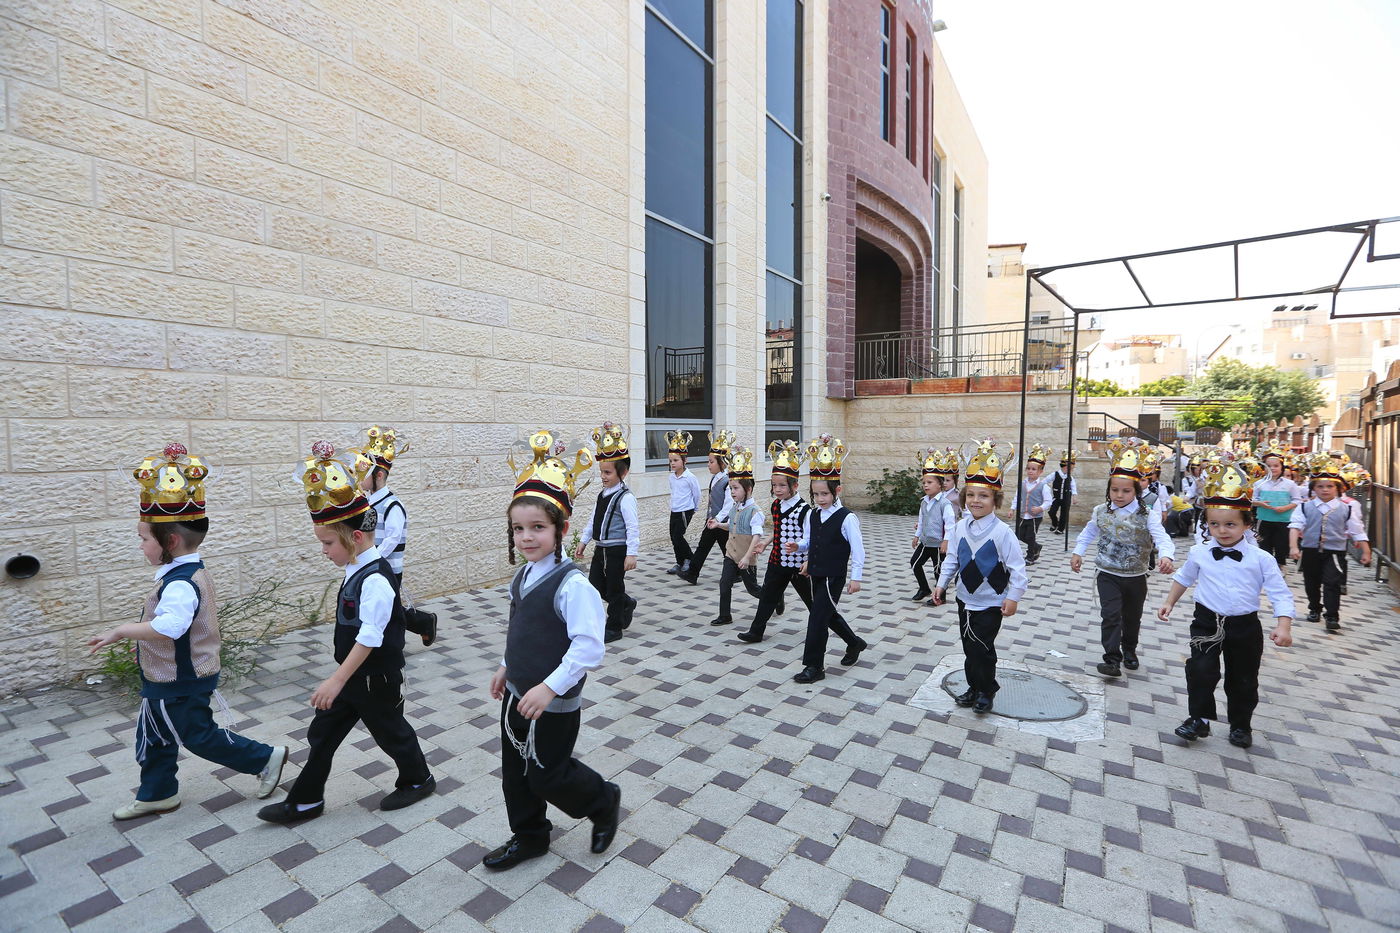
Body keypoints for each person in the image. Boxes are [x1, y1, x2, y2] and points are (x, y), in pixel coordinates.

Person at [90, 443, 284, 821]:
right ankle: (157, 793)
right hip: (168, 678)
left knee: (197, 736)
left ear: (171, 542)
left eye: (144, 538)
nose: (142, 545)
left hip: (180, 679)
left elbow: (170, 627)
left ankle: (265, 758)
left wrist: (122, 631)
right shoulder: (184, 574)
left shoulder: (180, 583)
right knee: (154, 735)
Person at [259, 442, 434, 823]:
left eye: (327, 543)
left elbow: (371, 637)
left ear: (355, 538)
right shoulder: (357, 570)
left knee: (391, 733)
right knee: (322, 736)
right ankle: (306, 800)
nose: (323, 551)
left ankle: (418, 779)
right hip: (355, 676)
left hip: (373, 678)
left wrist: (336, 680)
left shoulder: (374, 580)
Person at [483, 429, 621, 871]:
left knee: (547, 773)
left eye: (537, 528)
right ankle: (530, 836)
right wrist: (507, 666)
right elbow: (520, 625)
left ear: (561, 529)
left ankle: (602, 800)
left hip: (553, 701)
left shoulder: (573, 585)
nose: (526, 538)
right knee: (515, 773)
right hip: (517, 693)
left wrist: (549, 688)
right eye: (519, 528)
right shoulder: (522, 577)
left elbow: (588, 648)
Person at [1159, 456, 1294, 749]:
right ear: (1207, 524)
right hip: (1206, 620)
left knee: (1243, 679)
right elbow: (1184, 577)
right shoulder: (1200, 552)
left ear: (1247, 524)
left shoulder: (1262, 559)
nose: (1222, 530)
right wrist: (1169, 602)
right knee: (1200, 670)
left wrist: (1283, 625)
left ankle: (1241, 725)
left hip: (1244, 626)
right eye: (1215, 524)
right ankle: (1199, 719)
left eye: (1230, 524)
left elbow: (1280, 593)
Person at [933, 440, 1028, 714]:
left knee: (982, 649)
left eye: (983, 496)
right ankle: (974, 686)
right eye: (971, 495)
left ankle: (987, 690)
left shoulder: (1002, 533)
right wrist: (941, 585)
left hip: (991, 602)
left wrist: (1013, 597)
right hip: (965, 597)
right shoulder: (961, 526)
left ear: (995, 500)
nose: (976, 500)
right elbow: (952, 558)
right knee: (968, 647)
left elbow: (1018, 569)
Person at [1071, 440, 1175, 678]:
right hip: (1107, 574)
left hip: (1136, 576)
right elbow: (1088, 532)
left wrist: (1167, 555)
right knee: (1110, 615)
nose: (1119, 495)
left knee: (1131, 617)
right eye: (1114, 490)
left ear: (1136, 491)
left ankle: (1129, 650)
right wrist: (1079, 551)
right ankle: (1111, 659)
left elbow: (1162, 537)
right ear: (1108, 490)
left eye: (1126, 491)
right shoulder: (1100, 511)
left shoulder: (1146, 514)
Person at [789, 435, 866, 683]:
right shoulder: (813, 514)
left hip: (834, 575)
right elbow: (810, 541)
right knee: (827, 614)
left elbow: (858, 548)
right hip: (816, 573)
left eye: (825, 494)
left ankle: (814, 667)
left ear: (837, 490)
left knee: (817, 618)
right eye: (816, 494)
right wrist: (798, 547)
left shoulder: (847, 517)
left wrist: (856, 577)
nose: (820, 498)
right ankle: (854, 643)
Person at [353, 425, 437, 646]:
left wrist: (374, 558)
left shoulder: (392, 505)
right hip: (372, 564)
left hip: (386, 566)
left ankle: (400, 640)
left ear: (379, 475)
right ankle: (421, 623)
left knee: (389, 610)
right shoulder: (369, 503)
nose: (359, 478)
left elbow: (392, 538)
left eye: (364, 473)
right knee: (386, 607)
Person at [737, 440, 817, 644]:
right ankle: (756, 631)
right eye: (774, 485)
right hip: (777, 560)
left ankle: (824, 625)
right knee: (767, 597)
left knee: (813, 601)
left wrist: (806, 559)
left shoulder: (805, 510)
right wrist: (765, 542)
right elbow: (779, 529)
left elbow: (810, 538)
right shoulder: (775, 505)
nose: (778, 489)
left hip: (798, 564)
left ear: (795, 485)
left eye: (782, 485)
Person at [1289, 455, 1371, 632]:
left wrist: (1366, 551)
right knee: (1311, 582)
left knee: (1332, 582)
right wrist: (1294, 547)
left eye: (1329, 486)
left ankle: (1332, 615)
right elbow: (1295, 526)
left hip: (1334, 551)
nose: (1325, 490)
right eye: (1320, 486)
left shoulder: (1346, 508)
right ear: (1313, 489)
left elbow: (1357, 530)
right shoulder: (1304, 507)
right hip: (1310, 549)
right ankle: (1314, 608)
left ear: (1338, 488)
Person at [574, 422, 639, 643]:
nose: (603, 476)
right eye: (602, 471)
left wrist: (632, 553)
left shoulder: (626, 498)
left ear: (624, 472)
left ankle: (614, 627)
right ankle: (626, 603)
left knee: (614, 586)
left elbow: (632, 527)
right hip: (601, 548)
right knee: (595, 587)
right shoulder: (602, 495)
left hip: (617, 550)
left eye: (608, 472)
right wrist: (584, 540)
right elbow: (594, 518)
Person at [707, 447, 765, 626]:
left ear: (748, 489)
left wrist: (748, 557)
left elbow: (757, 536)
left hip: (746, 558)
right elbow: (732, 527)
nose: (732, 492)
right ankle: (725, 615)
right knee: (724, 584)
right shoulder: (735, 507)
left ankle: (775, 598)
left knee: (753, 590)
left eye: (736, 488)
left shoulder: (755, 512)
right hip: (731, 555)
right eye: (731, 488)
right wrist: (718, 525)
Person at [679, 430, 736, 585]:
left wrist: (718, 519)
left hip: (721, 522)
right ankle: (693, 573)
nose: (708, 464)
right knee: (705, 546)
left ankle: (735, 572)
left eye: (711, 462)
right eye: (708, 461)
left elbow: (729, 504)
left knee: (726, 549)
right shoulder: (714, 478)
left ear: (722, 463)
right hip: (713, 520)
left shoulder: (727, 480)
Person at [909, 448, 958, 602]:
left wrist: (946, 541)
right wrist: (917, 536)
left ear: (940, 485)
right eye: (924, 482)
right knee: (915, 563)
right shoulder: (924, 501)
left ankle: (940, 597)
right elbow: (922, 519)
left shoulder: (945, 503)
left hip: (938, 544)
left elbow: (950, 524)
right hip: (925, 542)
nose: (926, 485)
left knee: (939, 571)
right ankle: (924, 588)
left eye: (929, 482)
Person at [1250, 445, 1303, 570]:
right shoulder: (1258, 484)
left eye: (1276, 466)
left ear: (1282, 467)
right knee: (1264, 543)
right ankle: (1266, 567)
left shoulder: (1290, 484)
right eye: (1269, 466)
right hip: (1264, 519)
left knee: (1281, 544)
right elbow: (1251, 500)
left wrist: (1286, 507)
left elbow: (1297, 500)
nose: (1273, 468)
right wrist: (1260, 504)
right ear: (1264, 468)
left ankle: (1280, 565)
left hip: (1284, 520)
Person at [665, 431, 701, 576]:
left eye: (676, 460)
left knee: (679, 536)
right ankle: (680, 562)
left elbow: (697, 493)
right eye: (671, 460)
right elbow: (674, 492)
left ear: (684, 461)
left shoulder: (689, 477)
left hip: (686, 510)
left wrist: (694, 508)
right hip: (675, 509)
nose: (673, 463)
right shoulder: (671, 477)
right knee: (673, 537)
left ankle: (691, 560)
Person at [1010, 443, 1052, 564]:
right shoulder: (1022, 484)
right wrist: (1012, 509)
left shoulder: (1043, 486)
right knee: (1019, 534)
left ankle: (1030, 557)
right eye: (1028, 468)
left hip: (1035, 516)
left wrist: (1040, 508)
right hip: (1023, 514)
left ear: (1040, 471)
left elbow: (1048, 501)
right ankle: (1036, 547)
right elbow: (1017, 497)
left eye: (1033, 469)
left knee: (1030, 536)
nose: (1030, 471)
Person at [1047, 450, 1080, 535]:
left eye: (1072, 469)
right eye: (1070, 468)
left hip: (1066, 498)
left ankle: (1061, 529)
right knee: (1052, 512)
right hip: (1056, 498)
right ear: (1064, 467)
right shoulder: (1055, 474)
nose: (1071, 470)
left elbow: (1073, 488)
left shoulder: (1070, 478)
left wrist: (1074, 497)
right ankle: (1055, 523)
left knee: (1064, 514)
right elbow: (1045, 481)